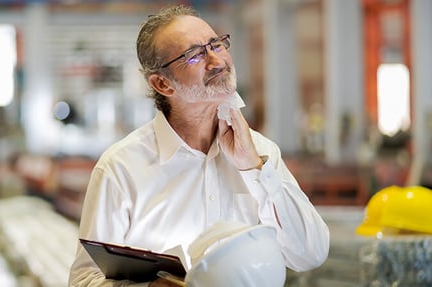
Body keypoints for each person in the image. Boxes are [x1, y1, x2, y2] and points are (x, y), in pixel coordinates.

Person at [68, 4, 330, 287]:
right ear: (162, 84)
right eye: (194, 55)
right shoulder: (121, 168)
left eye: (216, 44)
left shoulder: (261, 152)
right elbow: (84, 280)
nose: (216, 60)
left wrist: (254, 169)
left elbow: (309, 255)